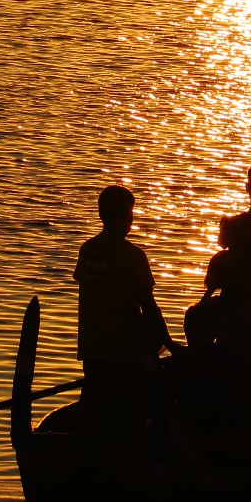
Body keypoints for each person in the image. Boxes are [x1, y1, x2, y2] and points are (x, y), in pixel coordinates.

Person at [185, 161, 251, 418]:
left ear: (247, 188)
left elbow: (224, 246)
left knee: (233, 375)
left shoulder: (232, 225)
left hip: (233, 313)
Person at [73, 185, 173, 438]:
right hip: (124, 350)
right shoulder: (133, 256)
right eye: (130, 212)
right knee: (130, 415)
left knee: (95, 406)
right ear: (123, 216)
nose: (132, 218)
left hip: (93, 347)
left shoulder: (87, 251)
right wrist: (167, 342)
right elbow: (147, 305)